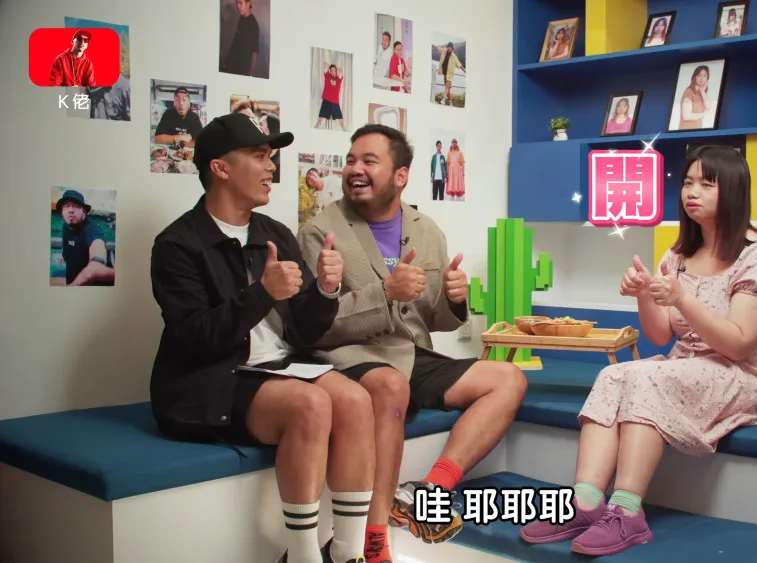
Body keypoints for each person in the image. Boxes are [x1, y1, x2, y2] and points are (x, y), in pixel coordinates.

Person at [519, 145, 757, 557]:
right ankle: (585, 503)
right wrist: (645, 292)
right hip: (686, 366)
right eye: (688, 182)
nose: (691, 192)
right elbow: (661, 335)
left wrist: (682, 299)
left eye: (706, 184)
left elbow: (738, 344)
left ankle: (627, 512)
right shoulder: (678, 255)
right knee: (613, 374)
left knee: (646, 377)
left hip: (744, 374)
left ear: (733, 191)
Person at [149, 112, 375, 563]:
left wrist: (326, 289)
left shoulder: (274, 233)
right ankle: (303, 557)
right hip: (210, 377)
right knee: (310, 404)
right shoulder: (177, 244)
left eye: (270, 156)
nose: (271, 167)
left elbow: (307, 329)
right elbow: (195, 338)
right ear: (220, 168)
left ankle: (348, 553)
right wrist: (262, 293)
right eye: (258, 156)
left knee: (355, 400)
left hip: (278, 368)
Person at [298, 124, 527, 563]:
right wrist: (386, 292)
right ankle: (374, 540)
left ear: (400, 176)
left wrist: (455, 300)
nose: (355, 170)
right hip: (350, 354)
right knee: (390, 386)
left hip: (411, 352)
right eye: (351, 160)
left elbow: (433, 318)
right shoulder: (320, 232)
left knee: (508, 379)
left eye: (369, 161)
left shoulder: (427, 230)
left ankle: (428, 490)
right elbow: (318, 326)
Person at [56, 189, 115, 286]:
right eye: (66, 206)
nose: (70, 210)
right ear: (62, 211)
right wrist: (64, 254)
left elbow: (97, 244)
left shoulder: (92, 229)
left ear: (84, 211)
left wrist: (97, 262)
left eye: (76, 206)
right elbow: (67, 242)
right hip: (71, 280)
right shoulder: (65, 226)